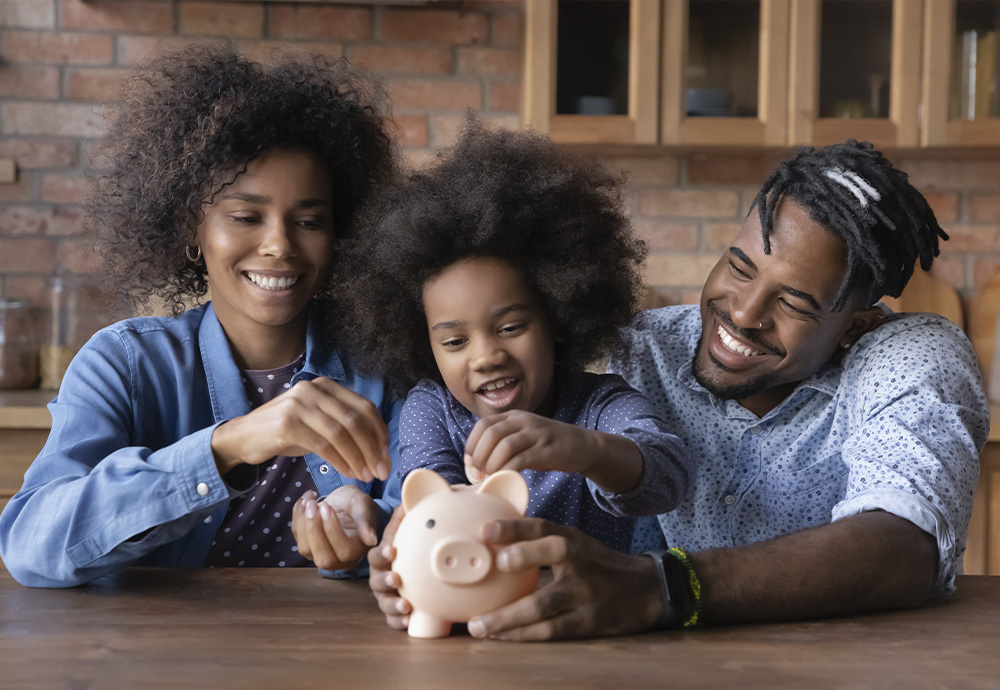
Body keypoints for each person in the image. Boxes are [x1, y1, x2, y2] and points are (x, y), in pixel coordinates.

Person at [368, 139, 990, 639]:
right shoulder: (643, 350)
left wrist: (660, 587)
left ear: (856, 322)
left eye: (794, 303)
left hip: (861, 663)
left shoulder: (913, 354)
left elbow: (902, 548)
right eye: (740, 267)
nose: (743, 313)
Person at [0, 45, 403, 587]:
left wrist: (373, 531)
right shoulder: (124, 364)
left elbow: (435, 517)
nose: (278, 245)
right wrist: (231, 444)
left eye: (309, 221)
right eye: (245, 216)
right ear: (193, 226)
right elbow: (31, 544)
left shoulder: (389, 365)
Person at [293, 122, 693, 570]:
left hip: (589, 623)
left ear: (557, 318)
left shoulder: (601, 406)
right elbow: (431, 498)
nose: (485, 357)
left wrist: (584, 449)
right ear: (424, 345)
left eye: (510, 327)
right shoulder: (433, 409)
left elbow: (669, 476)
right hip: (468, 618)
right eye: (455, 341)